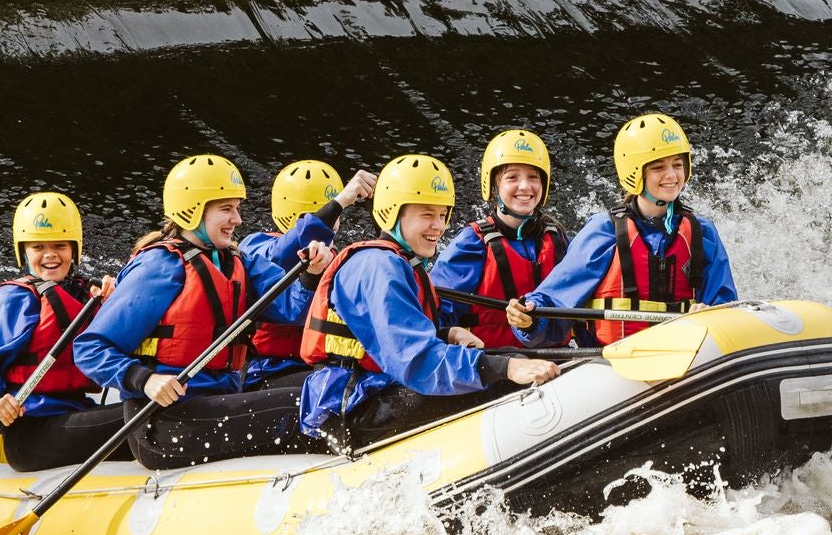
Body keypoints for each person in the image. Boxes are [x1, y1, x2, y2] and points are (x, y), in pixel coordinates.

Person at [72, 154, 329, 469]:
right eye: (226, 209)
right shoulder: (160, 266)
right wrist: (144, 379)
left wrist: (311, 274)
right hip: (164, 421)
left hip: (217, 401)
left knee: (326, 387)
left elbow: (293, 309)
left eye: (236, 208)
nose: (237, 219)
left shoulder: (238, 262)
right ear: (192, 212)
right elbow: (89, 348)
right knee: (311, 402)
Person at [298, 154, 561, 448]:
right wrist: (505, 368)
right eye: (426, 214)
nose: (438, 226)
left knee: (512, 360)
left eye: (441, 214)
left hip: (373, 390)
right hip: (352, 407)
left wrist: (445, 333)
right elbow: (416, 359)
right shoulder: (378, 267)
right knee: (504, 376)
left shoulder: (402, 262)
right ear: (392, 213)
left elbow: (393, 337)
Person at [505, 113, 737, 346]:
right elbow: (556, 299)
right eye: (658, 167)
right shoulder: (605, 230)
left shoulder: (702, 232)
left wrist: (711, 316)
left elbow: (725, 305)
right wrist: (530, 319)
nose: (671, 175)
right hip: (613, 362)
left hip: (686, 358)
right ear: (635, 172)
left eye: (677, 165)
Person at [0, 192, 122, 471]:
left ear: (74, 249)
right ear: (24, 251)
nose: (50, 254)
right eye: (38, 247)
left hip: (74, 413)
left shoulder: (88, 294)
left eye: (60, 245)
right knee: (144, 419)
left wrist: (117, 303)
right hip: (32, 435)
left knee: (147, 406)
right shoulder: (15, 299)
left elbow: (124, 348)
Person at [242, 160, 377, 387]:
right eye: (330, 212)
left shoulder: (337, 258)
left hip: (317, 367)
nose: (334, 222)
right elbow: (281, 255)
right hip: (267, 370)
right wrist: (340, 202)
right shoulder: (255, 246)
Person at [432, 129, 567, 348]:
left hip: (558, 359)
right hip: (495, 365)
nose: (525, 186)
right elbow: (438, 315)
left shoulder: (557, 237)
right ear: (494, 186)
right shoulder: (471, 244)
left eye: (533, 177)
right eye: (512, 177)